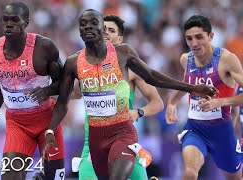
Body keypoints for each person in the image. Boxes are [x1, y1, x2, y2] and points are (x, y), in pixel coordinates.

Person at [43, 9, 216, 180]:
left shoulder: (123, 55)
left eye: (96, 24)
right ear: (79, 31)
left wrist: (190, 88)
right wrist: (44, 93)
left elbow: (152, 77)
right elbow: (68, 95)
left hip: (122, 132)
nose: (89, 27)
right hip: (94, 139)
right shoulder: (75, 62)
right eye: (83, 24)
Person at [0, 2, 65, 180]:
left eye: (15, 20)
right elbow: (1, 82)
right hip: (17, 124)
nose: (9, 24)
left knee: (53, 177)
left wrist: (47, 90)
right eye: (5, 20)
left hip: (47, 121)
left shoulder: (44, 48)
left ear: (26, 22)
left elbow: (65, 83)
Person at [72, 14, 163, 180]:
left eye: (111, 30)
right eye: (103, 28)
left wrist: (138, 112)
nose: (105, 33)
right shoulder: (84, 64)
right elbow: (73, 93)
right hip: (92, 142)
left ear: (120, 39)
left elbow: (157, 103)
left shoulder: (131, 68)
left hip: (122, 138)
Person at [165, 15, 243, 180]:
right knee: (190, 173)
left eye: (199, 37)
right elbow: (187, 83)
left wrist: (220, 102)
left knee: (234, 178)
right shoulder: (186, 60)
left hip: (222, 131)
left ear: (211, 36)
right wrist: (172, 102)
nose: (194, 43)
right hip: (195, 128)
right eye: (189, 38)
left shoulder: (227, 60)